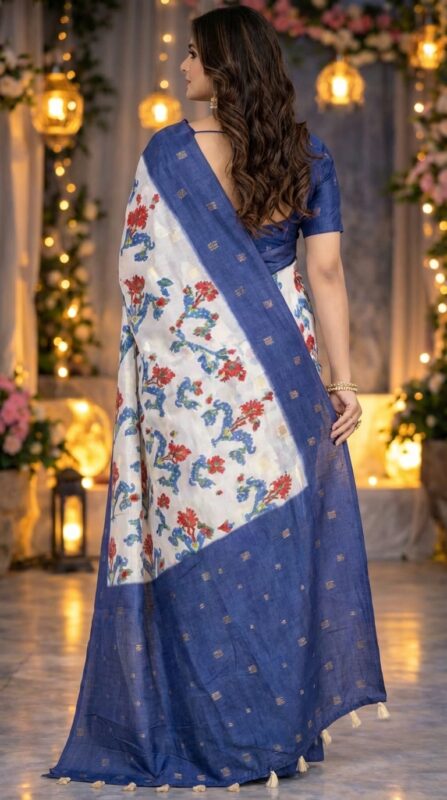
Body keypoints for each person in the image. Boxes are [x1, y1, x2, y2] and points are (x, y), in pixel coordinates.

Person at [43, 5, 389, 791]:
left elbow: (140, 278)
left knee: (190, 554)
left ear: (225, 65)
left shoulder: (166, 154)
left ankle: (203, 731)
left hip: (186, 396)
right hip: (279, 385)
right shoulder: (305, 154)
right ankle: (271, 734)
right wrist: (341, 382)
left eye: (195, 56)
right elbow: (324, 274)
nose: (182, 67)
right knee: (274, 550)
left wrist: (169, 367)